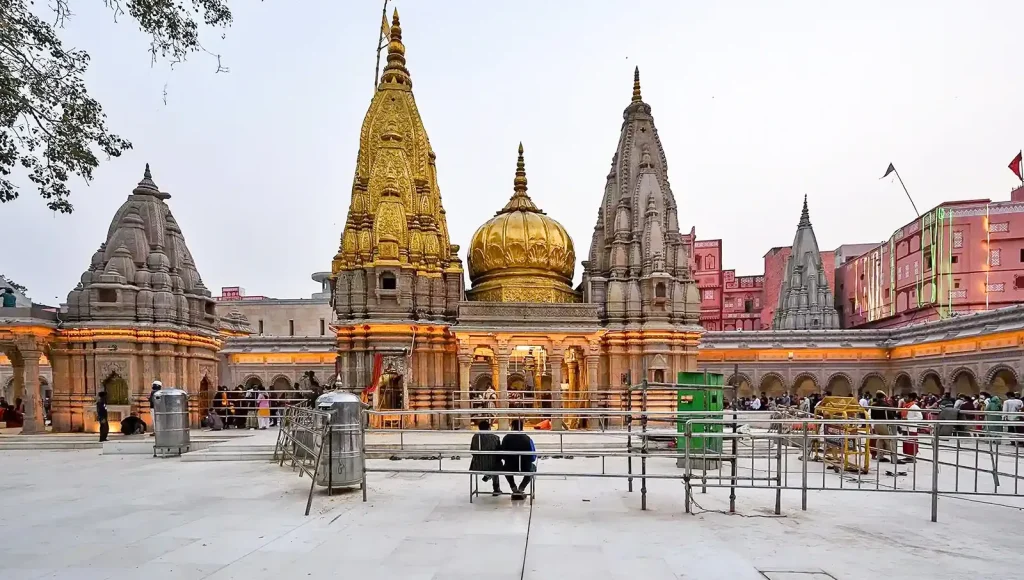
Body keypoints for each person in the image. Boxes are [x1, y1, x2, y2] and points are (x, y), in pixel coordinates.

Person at [500, 419, 536, 501]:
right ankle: (521, 488)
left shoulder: (506, 438)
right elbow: (533, 457)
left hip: (509, 467)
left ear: (511, 426)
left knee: (505, 468)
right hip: (525, 467)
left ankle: (513, 487)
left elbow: (502, 455)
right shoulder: (527, 439)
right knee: (533, 468)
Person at [469, 420, 503, 496]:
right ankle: (496, 488)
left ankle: (488, 474)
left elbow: (472, 451)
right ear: (489, 428)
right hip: (492, 465)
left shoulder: (475, 437)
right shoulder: (495, 438)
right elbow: (499, 453)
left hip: (477, 465)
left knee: (494, 462)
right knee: (497, 463)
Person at [869, 390, 896, 463]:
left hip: (876, 424)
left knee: (880, 439)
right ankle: (894, 458)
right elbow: (891, 416)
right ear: (884, 397)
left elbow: (872, 416)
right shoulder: (886, 405)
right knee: (890, 440)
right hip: (885, 424)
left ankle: (880, 456)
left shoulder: (873, 405)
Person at [903, 393, 923, 462]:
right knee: (906, 442)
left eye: (907, 397)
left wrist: (908, 419)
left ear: (911, 398)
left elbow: (920, 417)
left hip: (911, 428)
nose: (905, 399)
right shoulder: (906, 406)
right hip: (905, 427)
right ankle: (908, 456)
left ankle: (912, 457)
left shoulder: (915, 407)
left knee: (911, 443)